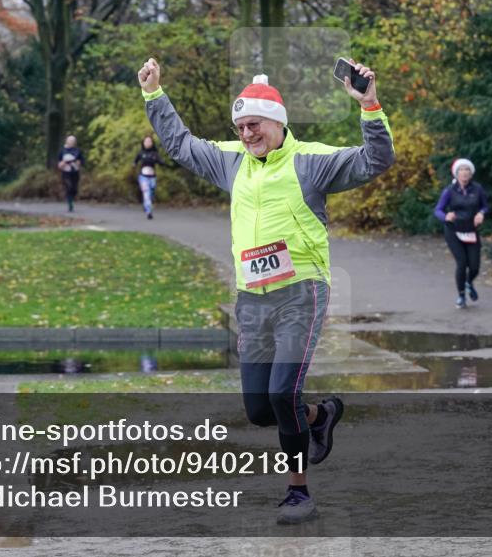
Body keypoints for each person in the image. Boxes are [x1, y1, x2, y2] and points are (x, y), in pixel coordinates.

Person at [138, 56, 395, 524]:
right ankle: (320, 416)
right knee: (260, 410)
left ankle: (299, 493)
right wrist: (154, 94)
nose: (246, 134)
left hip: (301, 293)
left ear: (276, 123)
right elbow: (179, 143)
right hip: (252, 300)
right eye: (240, 127)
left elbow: (376, 160)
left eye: (254, 124)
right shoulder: (232, 163)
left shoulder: (311, 162)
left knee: (282, 394)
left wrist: (369, 107)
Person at [434, 158, 490, 308]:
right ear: (456, 174)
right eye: (461, 171)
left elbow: (485, 206)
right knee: (462, 262)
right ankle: (461, 296)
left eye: (467, 171)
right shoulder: (449, 191)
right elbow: (438, 210)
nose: (464, 173)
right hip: (454, 231)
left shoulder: (477, 189)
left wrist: (481, 213)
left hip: (471, 230)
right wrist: (445, 216)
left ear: (471, 174)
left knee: (474, 266)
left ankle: (468, 283)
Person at [132, 135, 173, 219]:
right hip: (143, 177)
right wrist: (133, 165)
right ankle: (149, 212)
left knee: (151, 193)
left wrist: (165, 164)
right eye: (146, 141)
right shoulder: (141, 153)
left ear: (152, 143)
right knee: (146, 193)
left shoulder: (155, 154)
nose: (147, 143)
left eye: (149, 141)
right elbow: (135, 162)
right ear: (143, 143)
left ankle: (147, 205)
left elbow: (161, 162)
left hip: (152, 177)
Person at [57, 135, 85, 212]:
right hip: (66, 172)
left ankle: (71, 199)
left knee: (74, 189)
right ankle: (70, 204)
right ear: (66, 141)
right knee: (69, 186)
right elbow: (58, 163)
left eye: (73, 141)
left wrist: (78, 162)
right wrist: (62, 163)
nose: (72, 142)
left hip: (75, 172)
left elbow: (82, 161)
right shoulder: (62, 151)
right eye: (70, 141)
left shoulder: (78, 150)